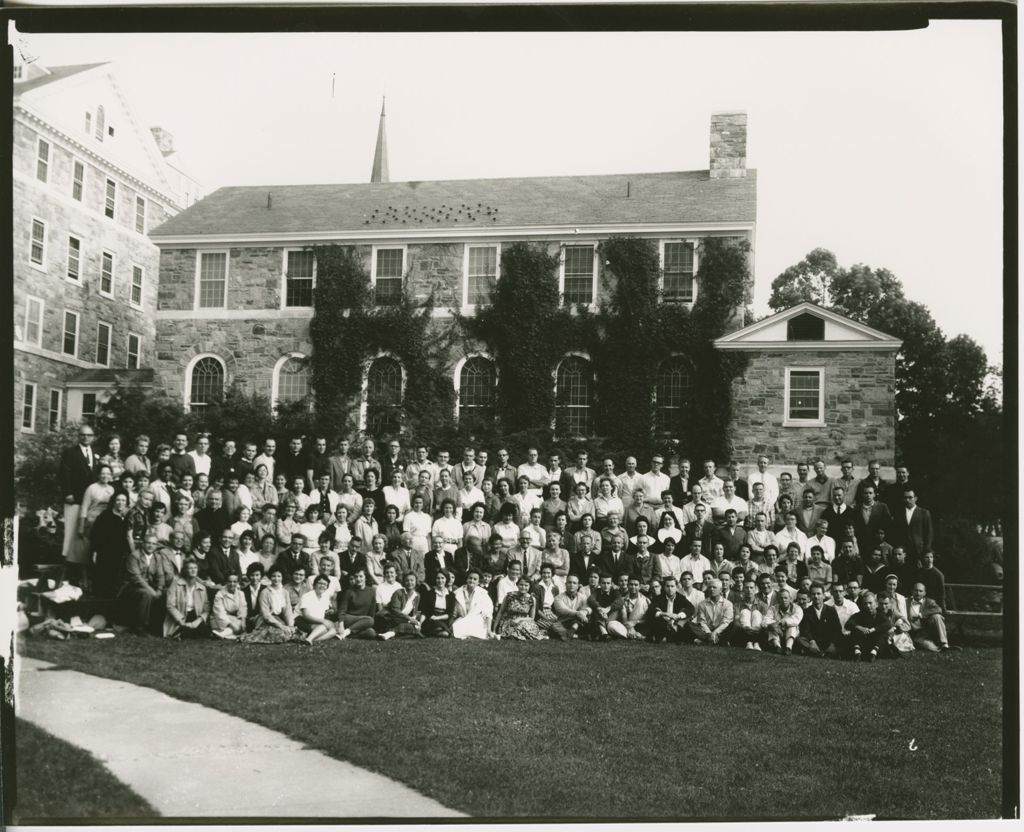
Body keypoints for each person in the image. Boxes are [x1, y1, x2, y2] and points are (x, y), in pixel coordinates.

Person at [89, 491, 132, 599]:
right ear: (113, 501)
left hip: (119, 554)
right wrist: (95, 551)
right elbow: (95, 534)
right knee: (103, 581)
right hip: (105, 554)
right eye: (118, 500)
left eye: (123, 500)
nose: (120, 503)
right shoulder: (106, 516)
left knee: (114, 583)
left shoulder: (125, 518)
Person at [240, 566, 298, 643]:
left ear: (282, 577)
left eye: (279, 576)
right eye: (273, 576)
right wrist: (281, 626)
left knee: (291, 631)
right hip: (266, 620)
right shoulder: (265, 592)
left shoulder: (285, 592)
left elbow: (288, 611)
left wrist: (290, 625)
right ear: (270, 577)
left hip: (279, 619)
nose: (276, 579)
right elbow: (266, 615)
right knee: (278, 633)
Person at [163, 558, 211, 639]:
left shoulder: (202, 587)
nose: (193, 570)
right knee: (188, 631)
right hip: (180, 617)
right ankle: (182, 632)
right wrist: (181, 622)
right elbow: (170, 605)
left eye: (195, 568)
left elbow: (206, 609)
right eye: (190, 568)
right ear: (185, 570)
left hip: (195, 616)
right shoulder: (176, 584)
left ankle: (185, 633)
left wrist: (197, 621)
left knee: (206, 631)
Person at [796, 583, 843, 656]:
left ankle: (820, 652)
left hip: (828, 641)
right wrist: (812, 641)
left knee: (840, 641)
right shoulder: (806, 612)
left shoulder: (831, 610)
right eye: (813, 594)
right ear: (810, 596)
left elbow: (837, 629)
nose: (816, 596)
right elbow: (806, 630)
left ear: (823, 595)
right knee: (800, 640)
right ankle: (818, 652)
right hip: (814, 641)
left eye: (818, 594)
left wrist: (832, 643)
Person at [493, 575, 546, 640]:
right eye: (521, 585)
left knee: (524, 625)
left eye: (526, 585)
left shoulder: (532, 599)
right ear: (517, 585)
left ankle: (518, 635)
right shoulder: (509, 596)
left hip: (523, 621)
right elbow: (500, 612)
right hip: (509, 621)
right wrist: (494, 629)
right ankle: (516, 634)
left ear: (529, 587)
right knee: (516, 627)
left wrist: (519, 619)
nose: (523, 587)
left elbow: (532, 618)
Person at [646, 576, 694, 643]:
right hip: (663, 623)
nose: (670, 589)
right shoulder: (659, 598)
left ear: (676, 587)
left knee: (687, 625)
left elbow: (691, 608)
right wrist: (664, 614)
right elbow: (651, 610)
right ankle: (668, 637)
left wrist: (678, 616)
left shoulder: (681, 598)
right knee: (657, 623)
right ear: (664, 587)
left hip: (676, 623)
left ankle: (668, 637)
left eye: (672, 586)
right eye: (667, 586)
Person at [892, 488, 934, 563]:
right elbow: (895, 533)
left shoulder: (924, 513)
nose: (908, 500)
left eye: (910, 497)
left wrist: (925, 553)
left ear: (915, 498)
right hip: (903, 552)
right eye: (905, 498)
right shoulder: (898, 513)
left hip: (919, 552)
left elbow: (929, 534)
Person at [906, 581, 951, 651]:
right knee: (930, 647)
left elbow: (938, 609)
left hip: (928, 630)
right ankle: (940, 648)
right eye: (916, 590)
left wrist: (921, 615)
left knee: (937, 616)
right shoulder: (906, 602)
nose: (918, 593)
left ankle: (944, 644)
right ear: (912, 591)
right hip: (916, 633)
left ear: (924, 593)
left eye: (921, 591)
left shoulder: (929, 601)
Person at [296, 574, 340, 643]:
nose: (322, 586)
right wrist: (324, 621)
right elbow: (306, 616)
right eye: (320, 583)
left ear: (327, 587)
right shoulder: (307, 596)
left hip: (316, 621)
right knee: (324, 627)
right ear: (314, 585)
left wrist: (330, 611)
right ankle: (309, 638)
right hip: (302, 620)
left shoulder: (325, 596)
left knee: (333, 631)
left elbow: (323, 610)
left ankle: (314, 640)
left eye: (325, 584)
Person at [846, 591, 889, 661]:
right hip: (862, 643)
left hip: (875, 644)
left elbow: (887, 623)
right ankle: (857, 653)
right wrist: (859, 627)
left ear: (876, 604)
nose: (868, 606)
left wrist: (873, 629)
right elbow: (848, 624)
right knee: (854, 629)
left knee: (883, 633)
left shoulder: (880, 614)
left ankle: (873, 653)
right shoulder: (860, 614)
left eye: (870, 603)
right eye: (865, 603)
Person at [336, 568, 378, 639]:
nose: (358, 579)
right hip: (348, 619)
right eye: (356, 577)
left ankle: (347, 633)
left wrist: (367, 624)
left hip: (363, 621)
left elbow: (372, 612)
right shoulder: (349, 591)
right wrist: (341, 624)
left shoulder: (371, 591)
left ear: (365, 578)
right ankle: (347, 632)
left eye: (361, 576)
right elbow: (342, 610)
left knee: (371, 633)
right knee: (369, 620)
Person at [689, 578, 734, 645]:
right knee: (690, 624)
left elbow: (726, 622)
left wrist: (715, 633)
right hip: (706, 631)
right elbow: (702, 621)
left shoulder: (728, 604)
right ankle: (717, 641)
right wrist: (709, 634)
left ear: (720, 590)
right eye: (710, 587)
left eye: (714, 587)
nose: (711, 589)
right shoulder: (702, 604)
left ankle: (707, 641)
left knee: (734, 625)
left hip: (721, 630)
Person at [452, 569, 494, 639]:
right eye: (470, 578)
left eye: (475, 579)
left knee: (475, 627)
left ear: (478, 582)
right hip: (462, 619)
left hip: (477, 620)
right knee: (457, 627)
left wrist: (489, 629)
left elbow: (488, 613)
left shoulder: (483, 593)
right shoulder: (458, 593)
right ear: (466, 579)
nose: (472, 581)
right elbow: (454, 612)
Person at [763, 588, 802, 655]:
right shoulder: (773, 608)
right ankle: (777, 647)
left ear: (790, 598)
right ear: (778, 599)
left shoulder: (797, 608)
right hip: (777, 634)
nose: (783, 600)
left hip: (792, 635)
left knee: (792, 626)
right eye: (781, 598)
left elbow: (796, 620)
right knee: (772, 627)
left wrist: (780, 623)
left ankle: (788, 648)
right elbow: (765, 621)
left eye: (786, 598)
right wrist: (773, 625)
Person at [210, 572, 248, 640]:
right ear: (226, 582)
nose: (232, 584)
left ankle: (222, 634)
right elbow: (219, 613)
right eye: (230, 582)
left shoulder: (240, 593)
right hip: (220, 619)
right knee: (237, 626)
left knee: (241, 624)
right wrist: (232, 625)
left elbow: (243, 607)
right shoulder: (220, 594)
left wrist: (243, 620)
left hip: (234, 618)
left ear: (238, 582)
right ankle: (226, 633)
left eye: (234, 581)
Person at [421, 570, 456, 637]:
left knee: (444, 633)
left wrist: (437, 618)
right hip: (431, 619)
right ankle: (432, 631)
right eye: (438, 578)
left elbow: (449, 614)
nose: (440, 581)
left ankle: (435, 631)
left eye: (442, 578)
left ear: (446, 579)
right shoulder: (429, 593)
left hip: (443, 619)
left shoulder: (451, 595)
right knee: (443, 632)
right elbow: (425, 611)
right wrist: (420, 623)